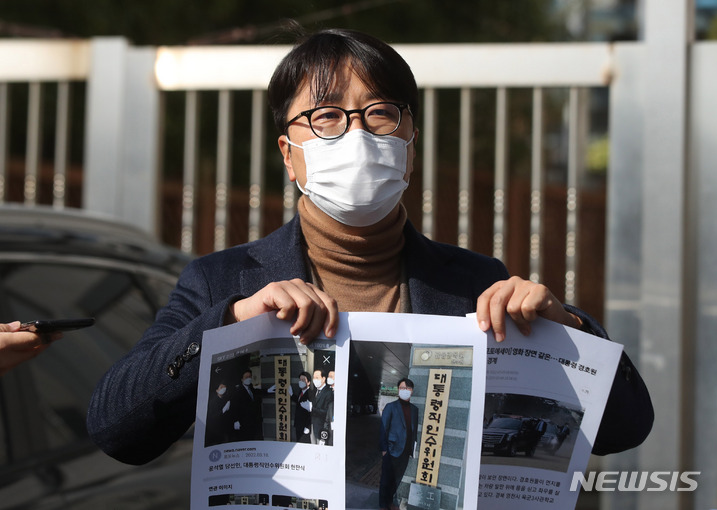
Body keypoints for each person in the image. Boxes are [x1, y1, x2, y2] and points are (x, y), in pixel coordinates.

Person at [86, 28, 653, 466]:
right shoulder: (225, 281)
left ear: (409, 141)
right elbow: (117, 429)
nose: (355, 134)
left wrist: (567, 330)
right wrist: (231, 323)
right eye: (326, 116)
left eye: (380, 113)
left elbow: (624, 430)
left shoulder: (475, 281)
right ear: (289, 154)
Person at [378, 378, 419, 510]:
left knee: (397, 480)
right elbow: (383, 428)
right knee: (386, 481)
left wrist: (413, 448)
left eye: (407, 388)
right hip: (391, 450)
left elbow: (413, 430)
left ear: (411, 391)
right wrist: (384, 450)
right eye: (401, 388)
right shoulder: (391, 407)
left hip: (405, 452)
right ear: (398, 390)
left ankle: (389, 502)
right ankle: (383, 506)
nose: (404, 391)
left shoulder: (414, 409)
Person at [231, 369, 264, 441]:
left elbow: (256, 392)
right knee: (245, 439)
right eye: (246, 377)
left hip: (252, 421)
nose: (249, 378)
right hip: (243, 422)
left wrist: (268, 390)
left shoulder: (250, 387)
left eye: (250, 376)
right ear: (242, 379)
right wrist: (235, 420)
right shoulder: (237, 391)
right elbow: (234, 407)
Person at [310, 369, 333, 445]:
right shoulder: (314, 391)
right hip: (313, 426)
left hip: (322, 428)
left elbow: (327, 412)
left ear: (323, 379)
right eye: (314, 378)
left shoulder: (329, 392)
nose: (314, 380)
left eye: (317, 378)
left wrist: (312, 408)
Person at [292, 371, 313, 443]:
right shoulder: (300, 392)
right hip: (298, 424)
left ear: (309, 382)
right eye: (300, 380)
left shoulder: (310, 393)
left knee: (304, 443)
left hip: (304, 426)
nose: (301, 382)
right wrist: (292, 395)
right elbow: (299, 403)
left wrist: (307, 426)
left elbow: (311, 412)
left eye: (303, 380)